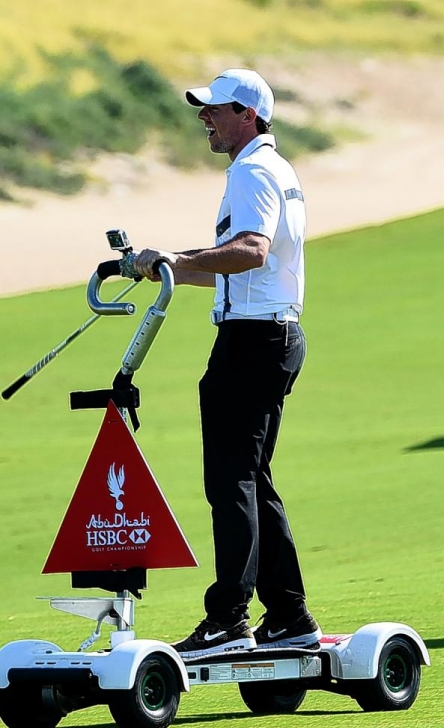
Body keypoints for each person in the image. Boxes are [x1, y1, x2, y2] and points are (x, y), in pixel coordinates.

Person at [134, 69, 321, 658]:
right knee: (253, 480)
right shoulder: (270, 168)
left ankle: (228, 618)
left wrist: (178, 255)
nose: (204, 118)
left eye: (215, 109)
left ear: (249, 115)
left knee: (231, 479)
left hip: (254, 340)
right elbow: (231, 263)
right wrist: (159, 265)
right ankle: (290, 615)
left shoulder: (253, 171)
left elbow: (250, 251)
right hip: (268, 335)